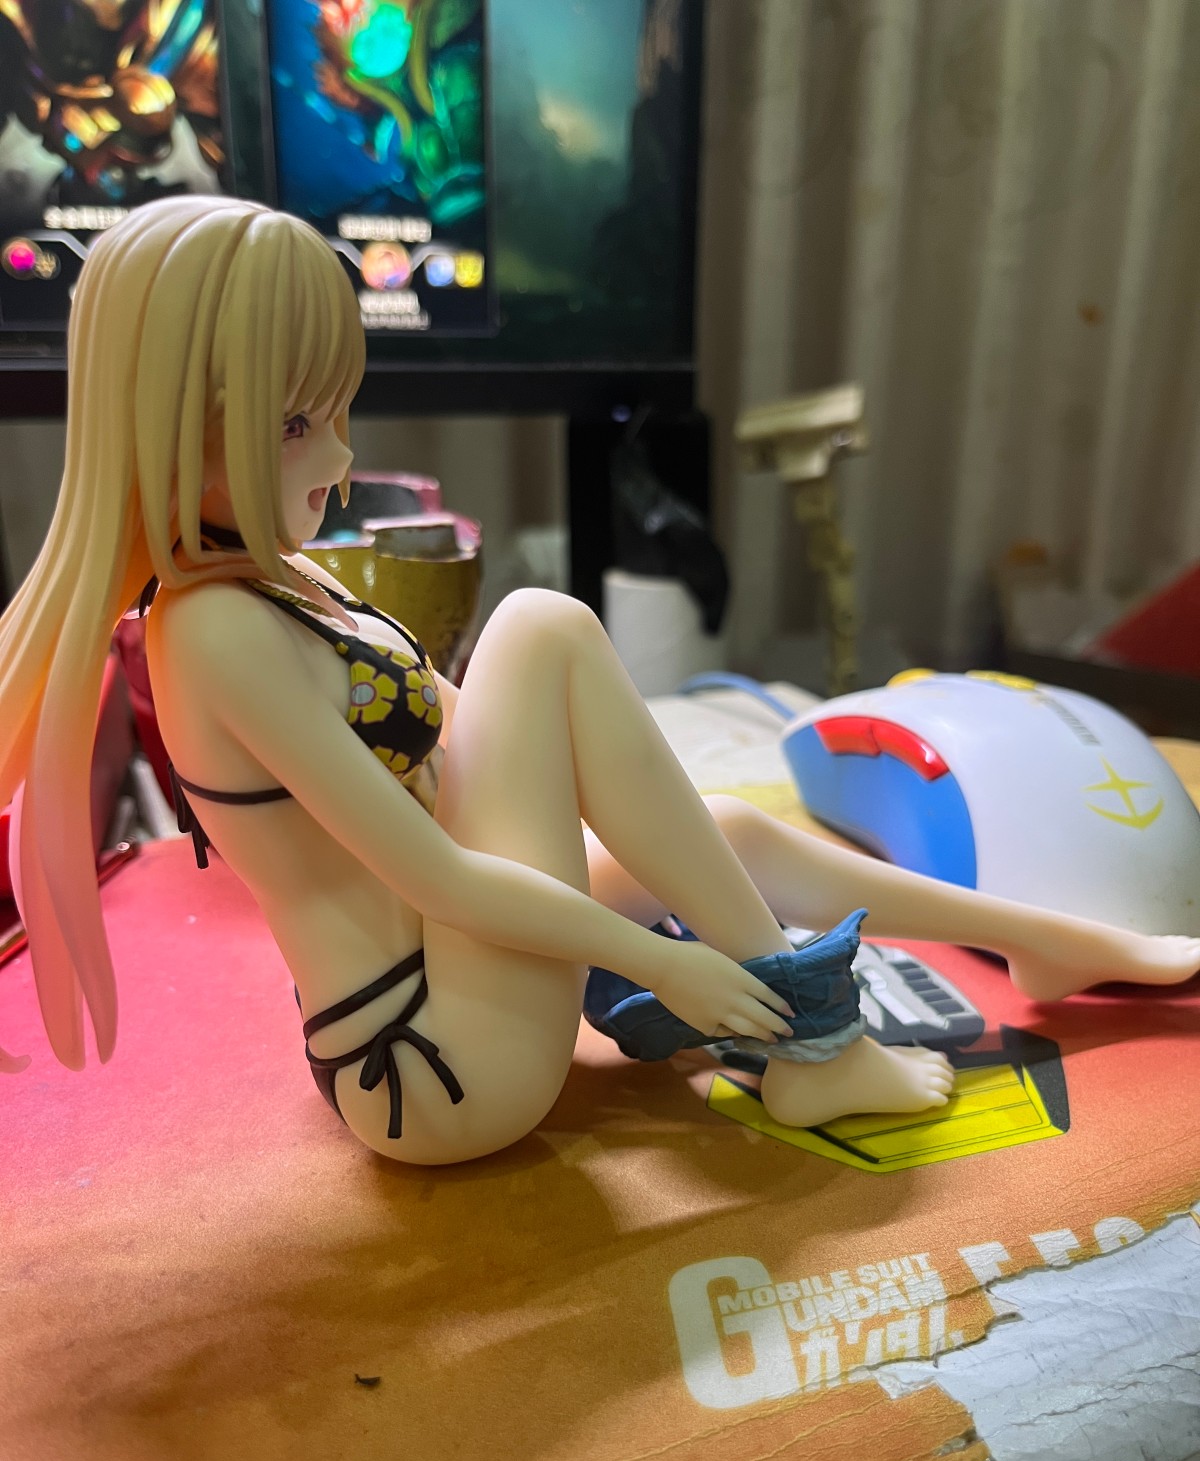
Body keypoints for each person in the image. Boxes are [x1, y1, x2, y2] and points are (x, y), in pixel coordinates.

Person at [2, 197, 1197, 1166]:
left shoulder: (281, 583)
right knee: (540, 624)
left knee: (726, 830)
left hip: (458, 978)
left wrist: (659, 872)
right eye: (292, 425)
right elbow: (442, 873)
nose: (343, 454)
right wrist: (667, 959)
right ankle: (820, 1051)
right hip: (434, 1064)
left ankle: (1048, 941)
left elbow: (476, 756)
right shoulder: (212, 632)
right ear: (177, 424)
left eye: (338, 411)